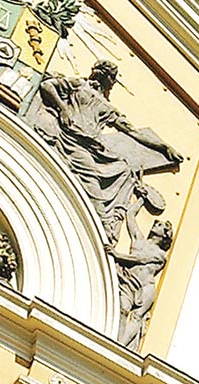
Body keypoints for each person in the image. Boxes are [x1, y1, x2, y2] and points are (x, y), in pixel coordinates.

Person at [33, 60, 182, 247]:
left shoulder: (108, 107)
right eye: (110, 76)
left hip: (90, 146)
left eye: (112, 77)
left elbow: (132, 132)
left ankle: (105, 224)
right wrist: (63, 108)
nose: (111, 82)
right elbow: (47, 86)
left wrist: (164, 147)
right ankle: (101, 229)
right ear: (102, 75)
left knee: (124, 169)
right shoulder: (79, 85)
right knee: (91, 180)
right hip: (73, 141)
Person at [115, 196, 173, 350]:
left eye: (160, 225)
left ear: (165, 235)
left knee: (136, 316)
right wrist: (142, 199)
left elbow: (138, 259)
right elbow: (130, 216)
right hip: (129, 282)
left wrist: (116, 255)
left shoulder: (159, 255)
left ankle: (120, 346)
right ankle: (115, 341)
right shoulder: (139, 240)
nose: (156, 224)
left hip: (145, 288)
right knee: (122, 309)